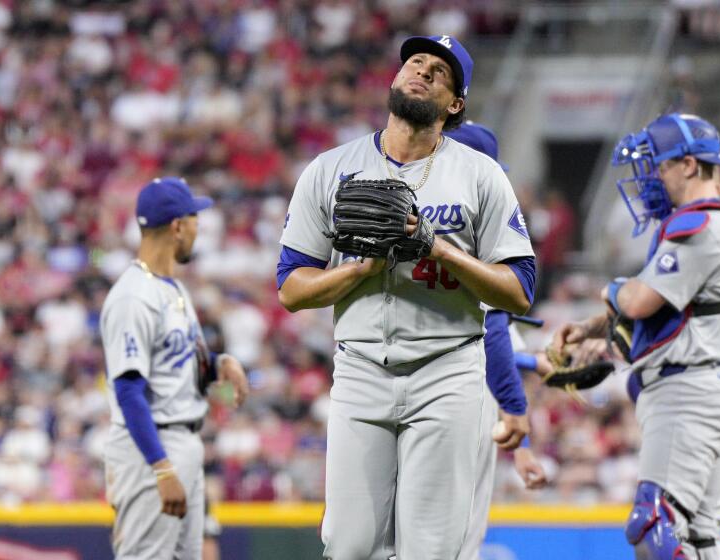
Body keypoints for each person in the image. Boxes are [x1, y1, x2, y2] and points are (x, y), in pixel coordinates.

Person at [277, 36, 536, 559]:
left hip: (448, 369)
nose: (422, 71)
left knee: (431, 548)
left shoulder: (480, 174)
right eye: (414, 62)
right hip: (361, 368)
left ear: (455, 103)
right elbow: (290, 287)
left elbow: (519, 290)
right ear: (395, 79)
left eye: (439, 71)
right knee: (347, 544)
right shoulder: (331, 168)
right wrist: (362, 268)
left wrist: (435, 247)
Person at [552, 113, 720, 559]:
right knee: (699, 536)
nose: (653, 177)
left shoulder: (703, 226)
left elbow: (637, 302)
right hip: (697, 386)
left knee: (654, 527)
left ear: (690, 165)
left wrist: (609, 290)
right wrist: (589, 328)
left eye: (660, 165)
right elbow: (653, 304)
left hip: (688, 391)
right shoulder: (700, 225)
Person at [101, 177, 249, 560]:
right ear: (178, 226)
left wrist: (220, 364)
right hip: (151, 447)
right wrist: (161, 467)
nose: (199, 228)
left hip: (183, 442)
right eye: (195, 218)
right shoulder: (133, 296)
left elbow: (183, 363)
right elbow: (129, 391)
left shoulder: (173, 289)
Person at [445, 121, 547, 560]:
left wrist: (533, 365)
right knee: (455, 538)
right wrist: (518, 415)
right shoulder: (482, 240)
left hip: (393, 387)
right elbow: (493, 335)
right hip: (458, 401)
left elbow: (493, 345)